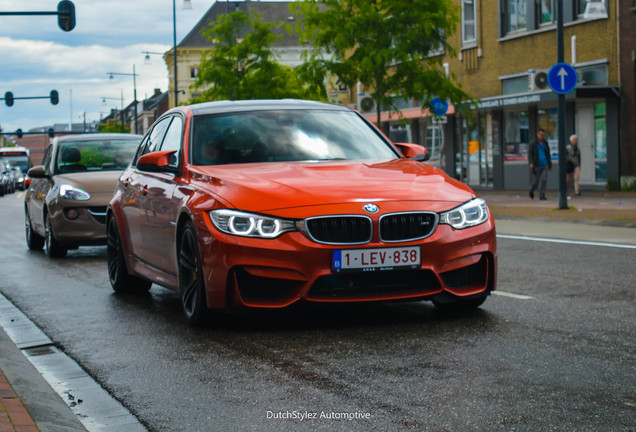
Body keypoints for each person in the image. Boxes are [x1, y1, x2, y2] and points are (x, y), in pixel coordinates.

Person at [528, 128, 552, 200]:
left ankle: (542, 195)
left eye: (543, 135)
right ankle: (531, 190)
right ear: (537, 134)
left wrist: (550, 164)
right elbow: (530, 153)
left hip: (545, 164)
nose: (541, 136)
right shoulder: (533, 143)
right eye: (540, 134)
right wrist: (531, 163)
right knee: (536, 181)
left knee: (544, 179)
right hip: (537, 164)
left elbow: (548, 154)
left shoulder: (545, 143)